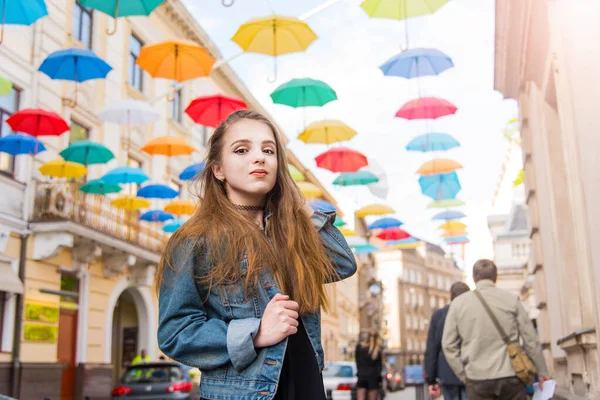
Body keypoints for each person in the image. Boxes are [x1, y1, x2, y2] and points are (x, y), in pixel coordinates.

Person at [156, 110, 357, 400]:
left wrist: (296, 200)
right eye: (241, 150)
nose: (259, 157)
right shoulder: (196, 239)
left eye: (268, 150)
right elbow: (175, 333)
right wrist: (255, 332)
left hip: (307, 381)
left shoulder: (291, 232)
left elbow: (343, 263)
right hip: (244, 392)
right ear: (218, 169)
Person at [442, 259, 550, 400]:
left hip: (476, 378)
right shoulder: (511, 300)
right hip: (510, 375)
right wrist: (542, 371)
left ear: (474, 278)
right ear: (495, 277)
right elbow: (530, 340)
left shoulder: (458, 304)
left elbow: (448, 345)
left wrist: (463, 374)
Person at [425, 282, 470, 400]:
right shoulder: (473, 313)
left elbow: (432, 349)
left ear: (451, 296)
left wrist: (431, 379)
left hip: (447, 372)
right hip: (470, 371)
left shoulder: (439, 315)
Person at [355, 330, 383, 400]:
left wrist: (359, 373)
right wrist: (379, 380)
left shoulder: (359, 347)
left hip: (362, 377)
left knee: (360, 398)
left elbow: (357, 363)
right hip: (373, 378)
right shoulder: (378, 351)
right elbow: (379, 368)